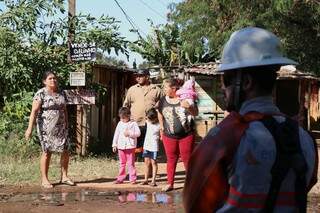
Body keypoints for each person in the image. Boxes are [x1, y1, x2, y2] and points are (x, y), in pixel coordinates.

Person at [183, 27, 318, 212]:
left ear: (246, 82)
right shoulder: (305, 139)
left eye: (226, 80)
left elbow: (196, 203)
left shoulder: (224, 138)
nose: (223, 88)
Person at [25, 71, 75, 189]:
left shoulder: (61, 93)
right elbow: (34, 112)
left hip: (62, 127)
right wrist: (29, 129)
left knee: (65, 150)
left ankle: (64, 176)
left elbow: (65, 110)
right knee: (47, 152)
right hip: (46, 128)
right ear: (44, 81)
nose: (53, 80)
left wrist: (67, 124)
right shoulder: (40, 94)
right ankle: (44, 179)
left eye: (54, 78)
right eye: (50, 78)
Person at [158, 78, 198, 192]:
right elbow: (159, 113)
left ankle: (192, 184)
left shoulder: (186, 98)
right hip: (169, 136)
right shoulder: (162, 100)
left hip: (186, 135)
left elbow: (196, 113)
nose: (164, 89)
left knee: (187, 159)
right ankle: (170, 183)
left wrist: (189, 107)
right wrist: (161, 127)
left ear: (174, 88)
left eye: (166, 87)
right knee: (171, 159)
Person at [123, 69, 162, 155]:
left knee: (150, 142)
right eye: (137, 76)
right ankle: (136, 157)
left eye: (140, 76)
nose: (138, 78)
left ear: (147, 77)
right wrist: (125, 120)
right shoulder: (132, 90)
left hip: (151, 122)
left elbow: (162, 105)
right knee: (136, 142)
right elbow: (126, 106)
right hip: (135, 121)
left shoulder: (156, 90)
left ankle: (148, 157)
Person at [112, 107, 141, 184]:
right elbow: (116, 134)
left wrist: (130, 133)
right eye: (121, 118)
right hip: (121, 147)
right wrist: (114, 144)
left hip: (130, 147)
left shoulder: (133, 124)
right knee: (122, 163)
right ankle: (120, 178)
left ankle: (132, 179)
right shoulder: (119, 123)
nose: (122, 119)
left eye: (124, 118)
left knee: (131, 163)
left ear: (128, 116)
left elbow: (138, 133)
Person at [140, 108, 160, 187]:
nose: (149, 120)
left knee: (154, 163)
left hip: (154, 146)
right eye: (148, 118)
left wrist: (157, 111)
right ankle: (146, 180)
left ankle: (153, 180)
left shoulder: (159, 124)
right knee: (146, 163)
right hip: (146, 145)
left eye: (151, 119)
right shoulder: (147, 122)